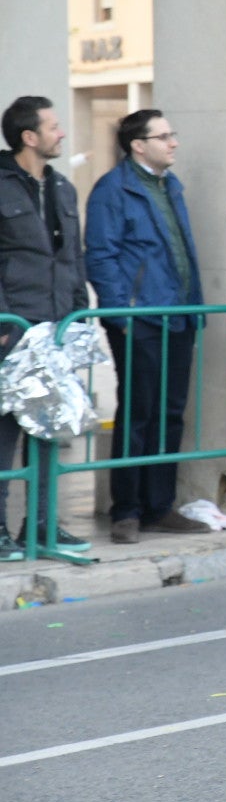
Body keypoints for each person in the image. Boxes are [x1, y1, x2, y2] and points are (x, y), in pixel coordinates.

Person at [84, 109, 210, 543]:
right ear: (138, 145)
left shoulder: (169, 185)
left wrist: (194, 307)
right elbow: (100, 256)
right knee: (138, 414)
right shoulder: (112, 189)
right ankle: (127, 510)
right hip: (140, 320)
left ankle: (160, 506)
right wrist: (122, 317)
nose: (173, 143)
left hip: (179, 316)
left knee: (170, 414)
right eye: (164, 136)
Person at [0, 97, 92, 559]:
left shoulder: (62, 188)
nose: (62, 134)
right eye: (54, 127)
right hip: (12, 326)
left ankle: (39, 524)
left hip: (56, 326)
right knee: (4, 432)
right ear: (28, 137)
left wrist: (78, 314)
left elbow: (72, 257)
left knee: (49, 428)